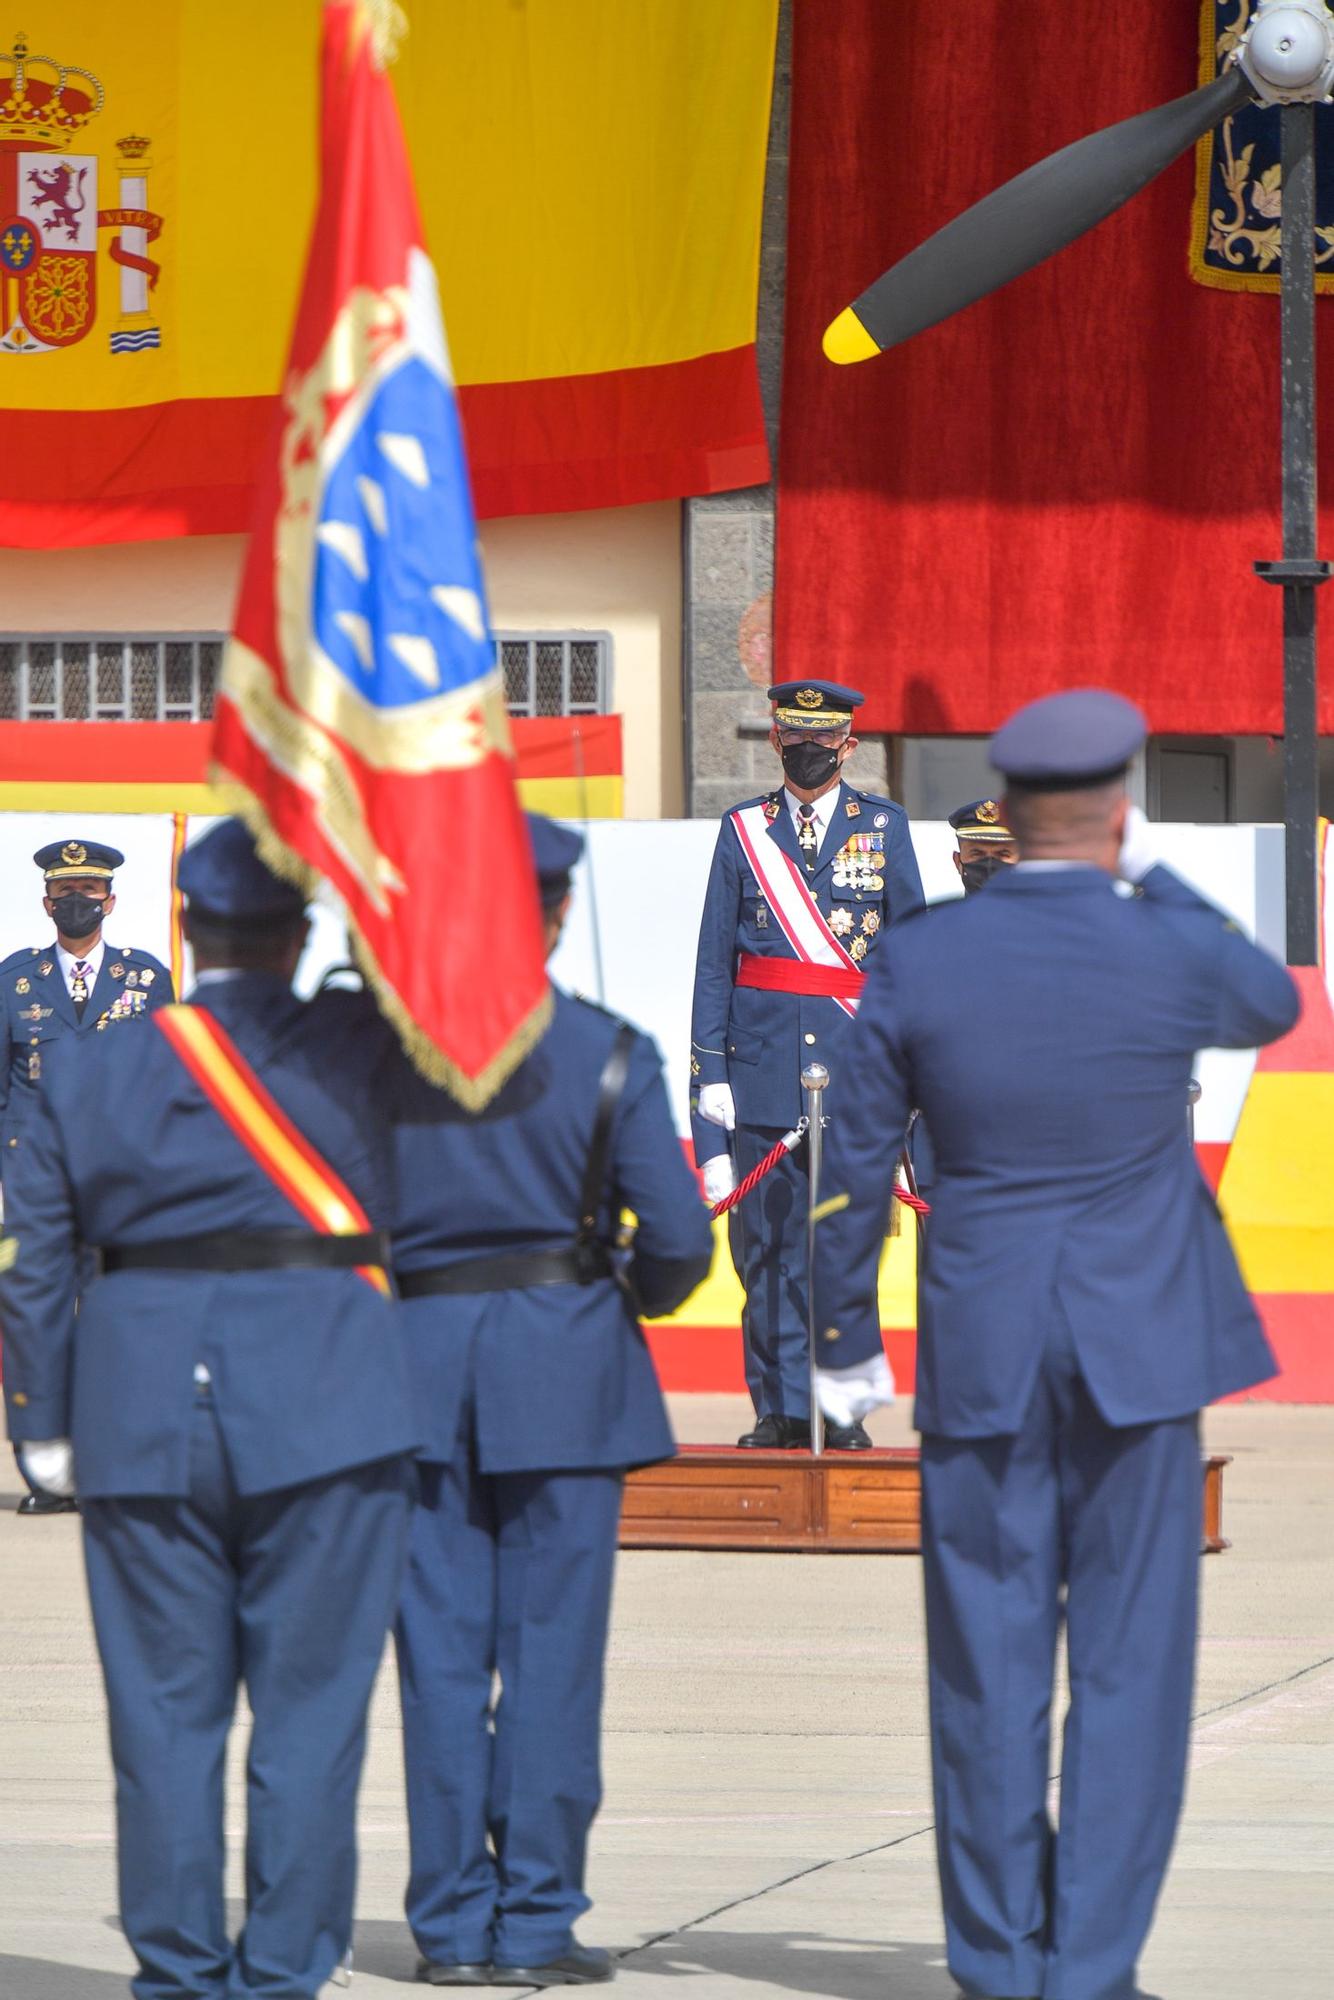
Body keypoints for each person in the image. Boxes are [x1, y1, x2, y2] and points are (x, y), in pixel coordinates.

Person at [810, 689, 1300, 2000]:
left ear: (1003, 813)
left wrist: (842, 1334)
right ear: (1117, 810)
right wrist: (1152, 871)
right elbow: (1269, 1002)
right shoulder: (1160, 946)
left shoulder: (920, 958)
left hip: (984, 1345)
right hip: (1138, 1347)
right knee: (1133, 1671)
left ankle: (994, 1959)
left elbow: (851, 1155)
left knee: (983, 1664)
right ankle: (1088, 1965)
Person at [0, 818, 420, 2000]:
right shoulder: (361, 1051)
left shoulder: (87, 1067)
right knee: (309, 1716)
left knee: (163, 1717)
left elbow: (33, 1253)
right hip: (328, 1409)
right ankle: (283, 1969)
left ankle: (179, 1971)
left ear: (182, 929)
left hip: (137, 1410)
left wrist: (40, 1407)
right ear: (297, 933)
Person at [387, 813, 713, 1989]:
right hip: (564, 1370)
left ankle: (449, 1926)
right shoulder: (606, 1051)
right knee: (552, 1658)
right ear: (561, 911)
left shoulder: (383, 1052)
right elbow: (675, 1240)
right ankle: (533, 1922)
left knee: (434, 1660)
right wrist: (627, 1289)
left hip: (413, 1368)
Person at [690, 678, 923, 1449]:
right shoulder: (743, 830)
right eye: (797, 739)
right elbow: (714, 967)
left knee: (845, 1255)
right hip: (761, 1078)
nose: (811, 752)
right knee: (767, 1255)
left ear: (848, 746)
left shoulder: (883, 829)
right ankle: (782, 1407)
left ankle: (845, 1410)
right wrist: (710, 1078)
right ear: (776, 742)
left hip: (857, 1081)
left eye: (825, 742)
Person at [1, 838, 174, 1515]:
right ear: (46, 903)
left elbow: (168, 1085)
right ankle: (46, 1472)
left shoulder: (146, 980)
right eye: (64, 894)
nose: (77, 902)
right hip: (36, 1189)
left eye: (90, 892)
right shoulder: (13, 980)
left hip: (121, 1185)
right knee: (35, 1326)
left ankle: (114, 1467)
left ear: (111, 900)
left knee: (121, 1326)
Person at [947, 797, 1018, 893]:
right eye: (977, 853)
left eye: (1003, 853)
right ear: (957, 861)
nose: (989, 863)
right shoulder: (942, 908)